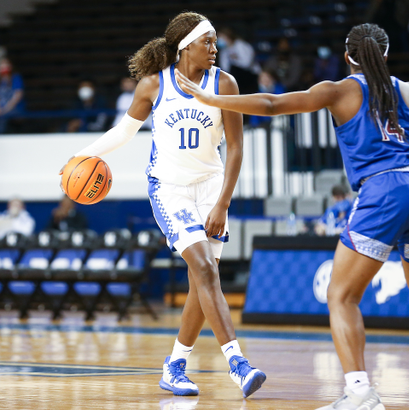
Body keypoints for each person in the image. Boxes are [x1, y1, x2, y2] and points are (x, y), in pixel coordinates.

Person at [176, 22, 409, 410]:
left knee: (341, 295)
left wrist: (211, 99)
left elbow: (271, 105)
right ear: (385, 55)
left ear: (348, 55)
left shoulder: (340, 90)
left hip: (386, 191)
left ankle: (359, 393)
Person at [59, 12, 265, 398]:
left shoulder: (226, 83)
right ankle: (238, 365)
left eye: (215, 42)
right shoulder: (154, 84)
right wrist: (78, 156)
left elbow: (236, 149)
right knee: (205, 269)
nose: (215, 48)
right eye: (208, 41)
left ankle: (174, 366)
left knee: (203, 282)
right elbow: (122, 132)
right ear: (187, 45)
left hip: (210, 187)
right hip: (170, 189)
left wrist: (222, 203)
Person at [216, 27, 259, 95]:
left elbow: (247, 63)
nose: (219, 39)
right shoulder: (224, 50)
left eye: (221, 37)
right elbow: (225, 68)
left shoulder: (240, 45)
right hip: (236, 77)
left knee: (234, 70)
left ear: (228, 37)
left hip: (250, 75)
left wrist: (235, 60)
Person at [0, 57, 25, 134]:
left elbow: (17, 96)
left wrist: (5, 109)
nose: (4, 67)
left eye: (6, 65)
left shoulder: (15, 78)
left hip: (14, 109)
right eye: (2, 65)